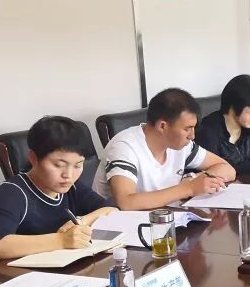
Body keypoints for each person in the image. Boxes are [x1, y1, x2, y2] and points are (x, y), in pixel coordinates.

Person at [0, 116, 117, 260]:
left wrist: (81, 221)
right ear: (33, 158)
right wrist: (61, 240)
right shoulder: (12, 192)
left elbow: (111, 209)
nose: (68, 175)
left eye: (78, 165)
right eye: (59, 165)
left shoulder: (71, 187)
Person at [96, 88, 236, 210]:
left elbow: (227, 169)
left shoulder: (181, 145)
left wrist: (196, 179)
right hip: (121, 227)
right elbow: (126, 202)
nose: (192, 136)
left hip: (166, 218)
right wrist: (189, 187)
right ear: (162, 126)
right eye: (187, 129)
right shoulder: (124, 146)